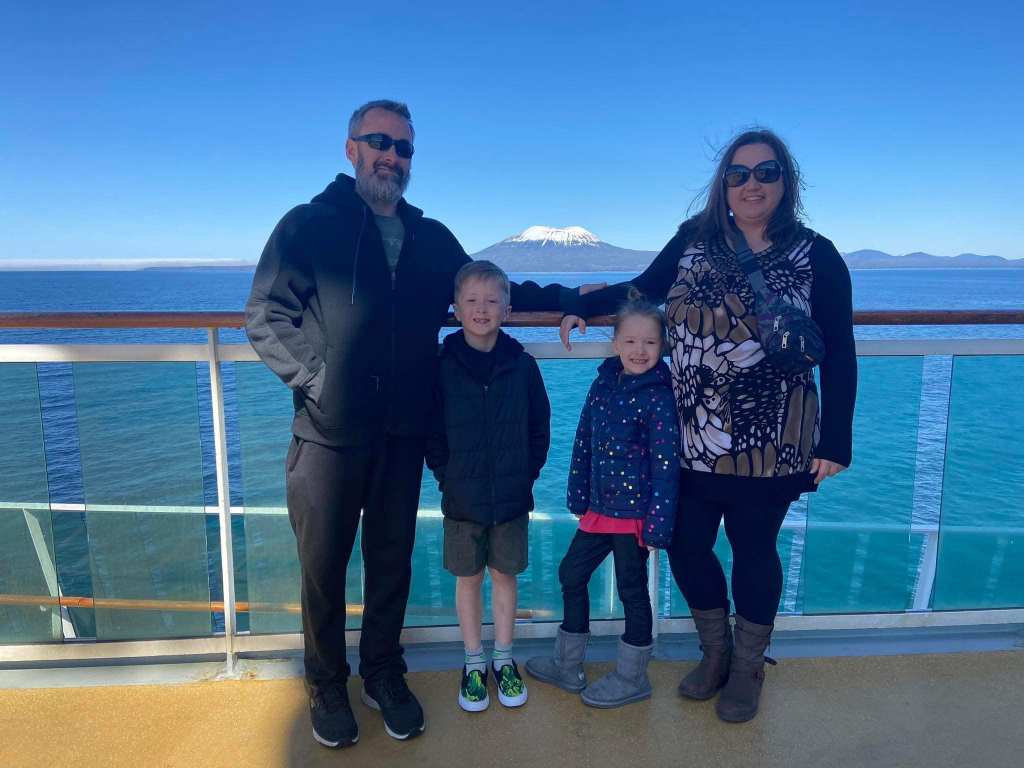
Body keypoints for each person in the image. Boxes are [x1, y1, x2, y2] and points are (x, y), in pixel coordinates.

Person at [245, 99, 584, 749]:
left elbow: (490, 289)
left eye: (403, 148)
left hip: (402, 434)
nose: (392, 157)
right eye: (380, 142)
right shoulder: (309, 224)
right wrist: (319, 382)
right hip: (327, 435)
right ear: (351, 149)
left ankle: (382, 671)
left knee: (391, 563)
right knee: (323, 568)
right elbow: (266, 315)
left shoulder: (430, 238)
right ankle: (326, 682)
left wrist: (573, 300)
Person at [560, 128, 857, 722]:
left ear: (786, 181)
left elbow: (840, 350)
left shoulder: (816, 254)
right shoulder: (693, 240)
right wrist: (577, 304)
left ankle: (747, 666)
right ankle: (716, 652)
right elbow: (641, 289)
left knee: (754, 549)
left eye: (766, 172)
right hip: (689, 432)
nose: (752, 184)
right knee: (687, 544)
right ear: (723, 184)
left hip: (773, 440)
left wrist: (836, 441)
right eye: (739, 174)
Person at [527, 291, 680, 708]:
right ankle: (568, 665)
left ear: (662, 346)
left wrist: (658, 525)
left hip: (634, 516)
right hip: (599, 509)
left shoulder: (659, 396)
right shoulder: (602, 384)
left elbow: (667, 466)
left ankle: (632, 677)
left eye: (650, 342)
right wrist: (578, 493)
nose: (639, 350)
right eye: (630, 341)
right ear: (615, 344)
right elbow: (584, 441)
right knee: (571, 573)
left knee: (632, 590)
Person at [425, 260, 550, 713]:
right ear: (456, 309)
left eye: (492, 300)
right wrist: (446, 476)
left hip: (512, 499)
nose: (482, 309)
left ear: (507, 310)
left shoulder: (522, 365)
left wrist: (526, 474)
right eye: (472, 301)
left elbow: (539, 427)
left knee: (505, 576)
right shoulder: (442, 366)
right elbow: (432, 432)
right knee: (468, 579)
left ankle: (504, 658)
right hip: (461, 499)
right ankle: (473, 660)